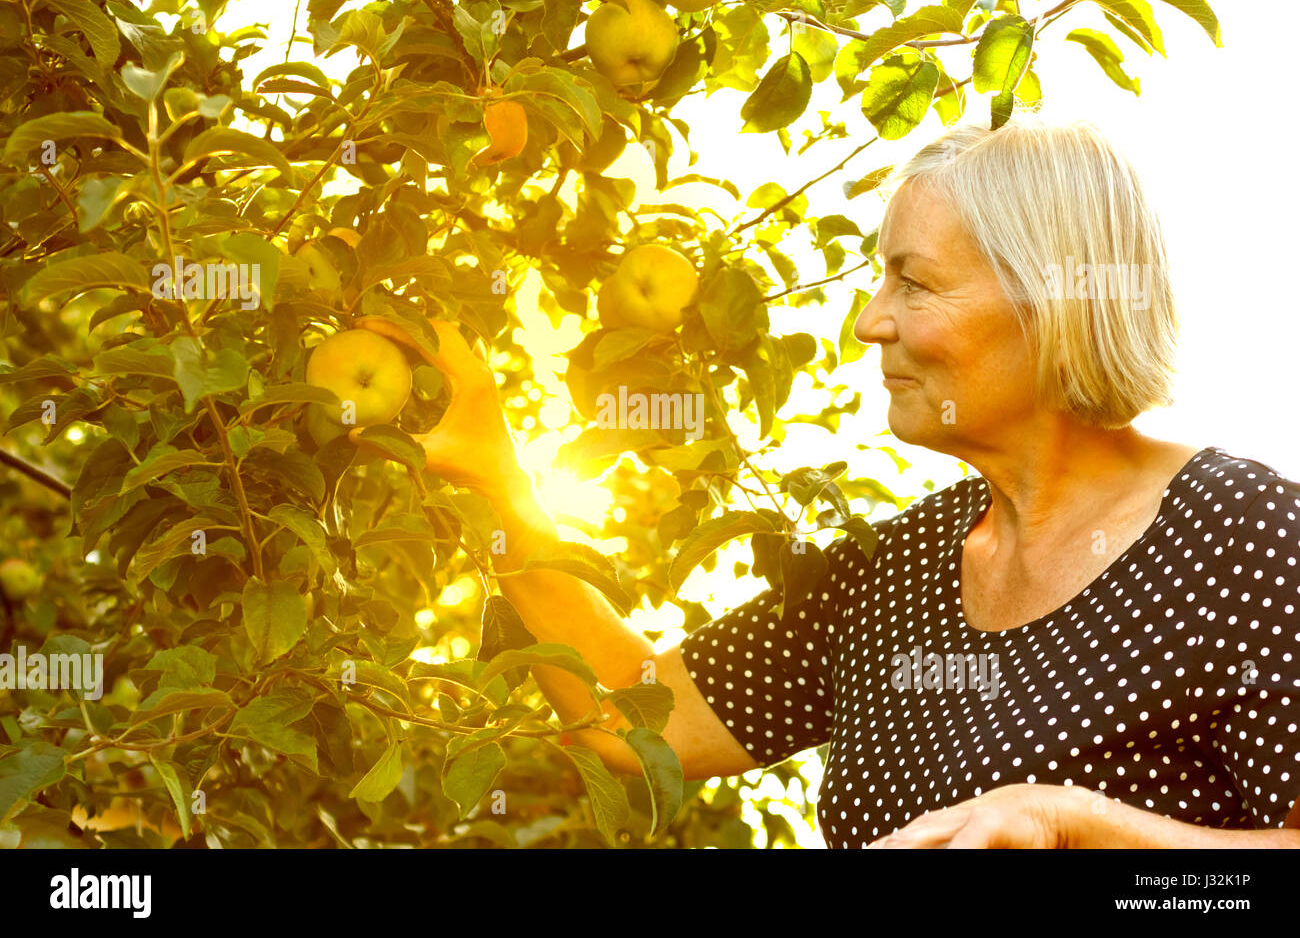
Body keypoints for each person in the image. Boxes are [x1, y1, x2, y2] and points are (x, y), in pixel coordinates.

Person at [353, 118, 1300, 848]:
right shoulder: (897, 570)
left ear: (1051, 301)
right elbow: (643, 718)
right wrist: (494, 478)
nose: (868, 324)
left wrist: (1085, 827)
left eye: (914, 283)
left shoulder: (1245, 540)